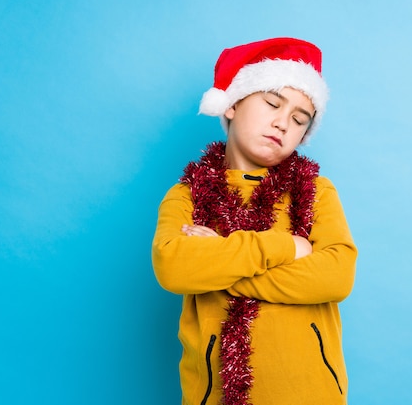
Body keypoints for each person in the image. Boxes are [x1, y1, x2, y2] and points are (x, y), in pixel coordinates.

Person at [152, 37, 357, 405]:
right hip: (214, 394)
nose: (282, 123)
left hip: (311, 393)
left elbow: (336, 275)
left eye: (299, 120)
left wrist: (218, 258)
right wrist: (287, 246)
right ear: (231, 105)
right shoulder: (187, 196)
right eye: (272, 104)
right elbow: (174, 268)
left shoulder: (316, 192)